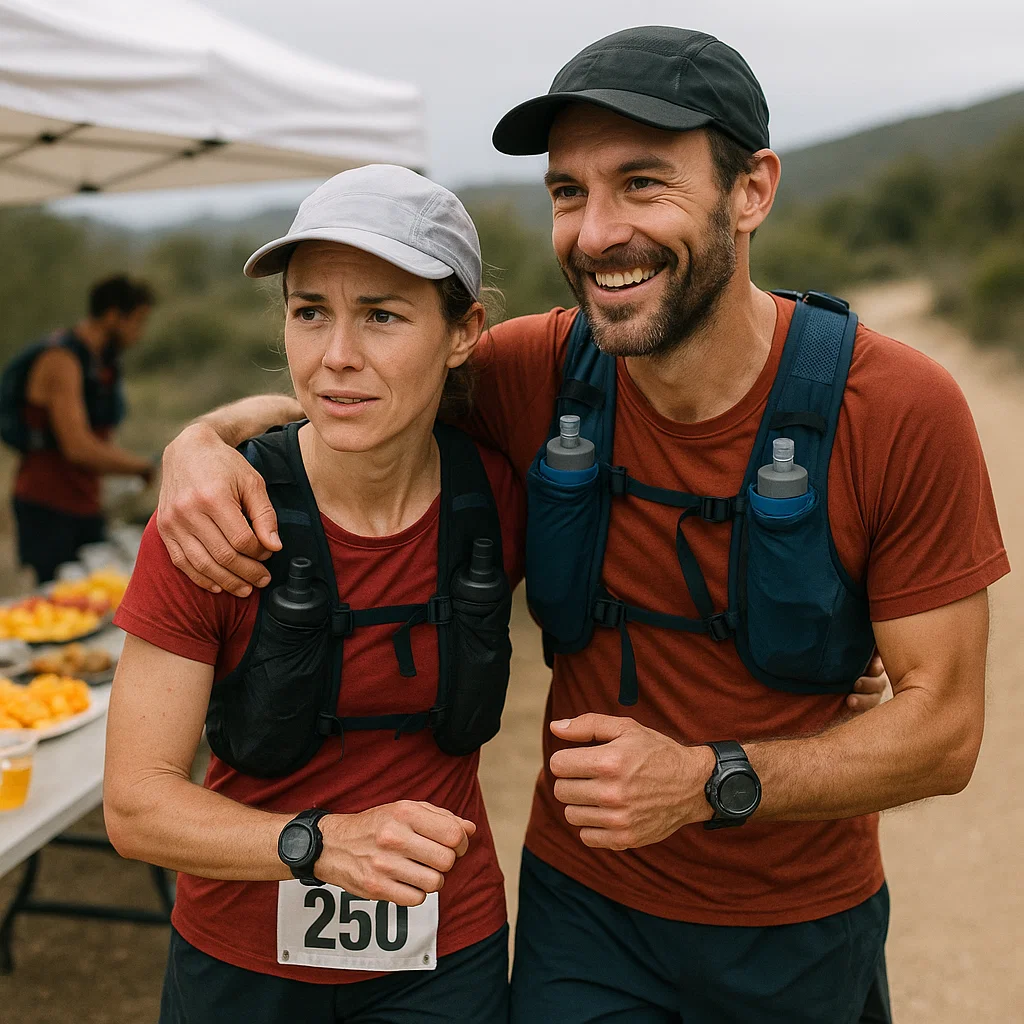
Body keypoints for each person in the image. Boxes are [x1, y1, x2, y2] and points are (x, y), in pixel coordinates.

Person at [151, 26, 1009, 1024]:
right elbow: (357, 393)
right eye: (568, 192)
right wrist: (199, 441)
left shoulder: (896, 407)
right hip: (583, 919)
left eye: (641, 183)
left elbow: (943, 728)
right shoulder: (537, 372)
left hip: (799, 924)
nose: (596, 232)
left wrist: (707, 779)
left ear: (751, 190)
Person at [103, 166, 522, 1024]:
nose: (337, 355)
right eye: (309, 312)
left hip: (446, 956)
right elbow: (137, 805)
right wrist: (320, 845)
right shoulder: (216, 524)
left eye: (382, 314)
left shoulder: (503, 498)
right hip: (240, 965)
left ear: (463, 331)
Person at [2, 274, 155, 582]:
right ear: (113, 316)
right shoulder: (62, 360)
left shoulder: (100, 364)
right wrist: (143, 467)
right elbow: (77, 446)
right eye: (136, 322)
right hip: (48, 506)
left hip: (85, 501)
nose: (138, 335)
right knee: (57, 601)